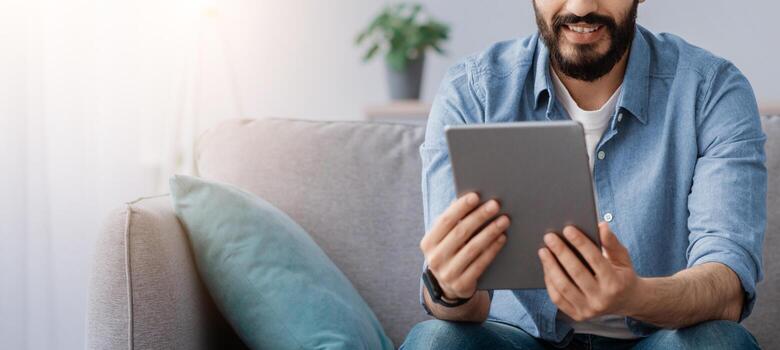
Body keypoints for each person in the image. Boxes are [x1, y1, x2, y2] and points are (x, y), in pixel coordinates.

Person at [401, 0, 766, 349]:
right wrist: (449, 289)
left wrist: (634, 296)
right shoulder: (472, 92)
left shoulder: (711, 89)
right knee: (436, 341)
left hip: (660, 337)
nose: (580, 7)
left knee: (718, 342)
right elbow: (463, 309)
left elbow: (727, 283)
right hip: (514, 337)